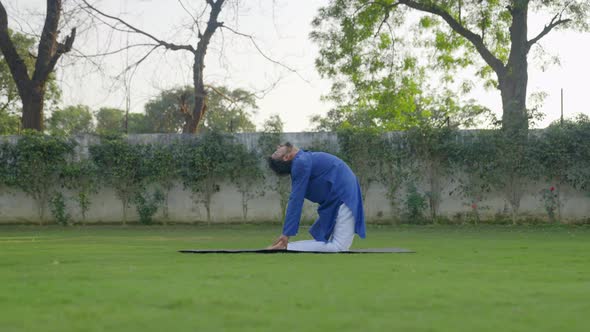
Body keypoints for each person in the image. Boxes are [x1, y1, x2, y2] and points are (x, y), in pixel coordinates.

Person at [267, 142, 365, 252]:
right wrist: (286, 234)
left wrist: (287, 233)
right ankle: (285, 247)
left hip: (341, 195)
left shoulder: (302, 159)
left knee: (336, 245)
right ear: (286, 157)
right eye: (276, 152)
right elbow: (296, 200)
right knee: (339, 247)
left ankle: (286, 247)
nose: (278, 146)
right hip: (343, 195)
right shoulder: (301, 162)